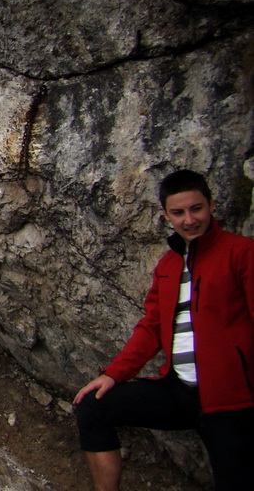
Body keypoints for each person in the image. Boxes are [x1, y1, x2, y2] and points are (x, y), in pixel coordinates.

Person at [72, 169, 254, 491]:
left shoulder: (241, 252)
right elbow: (152, 327)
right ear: (166, 215)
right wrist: (113, 374)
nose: (189, 220)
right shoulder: (168, 266)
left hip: (231, 402)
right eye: (179, 212)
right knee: (93, 406)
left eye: (196, 209)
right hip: (178, 392)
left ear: (211, 206)